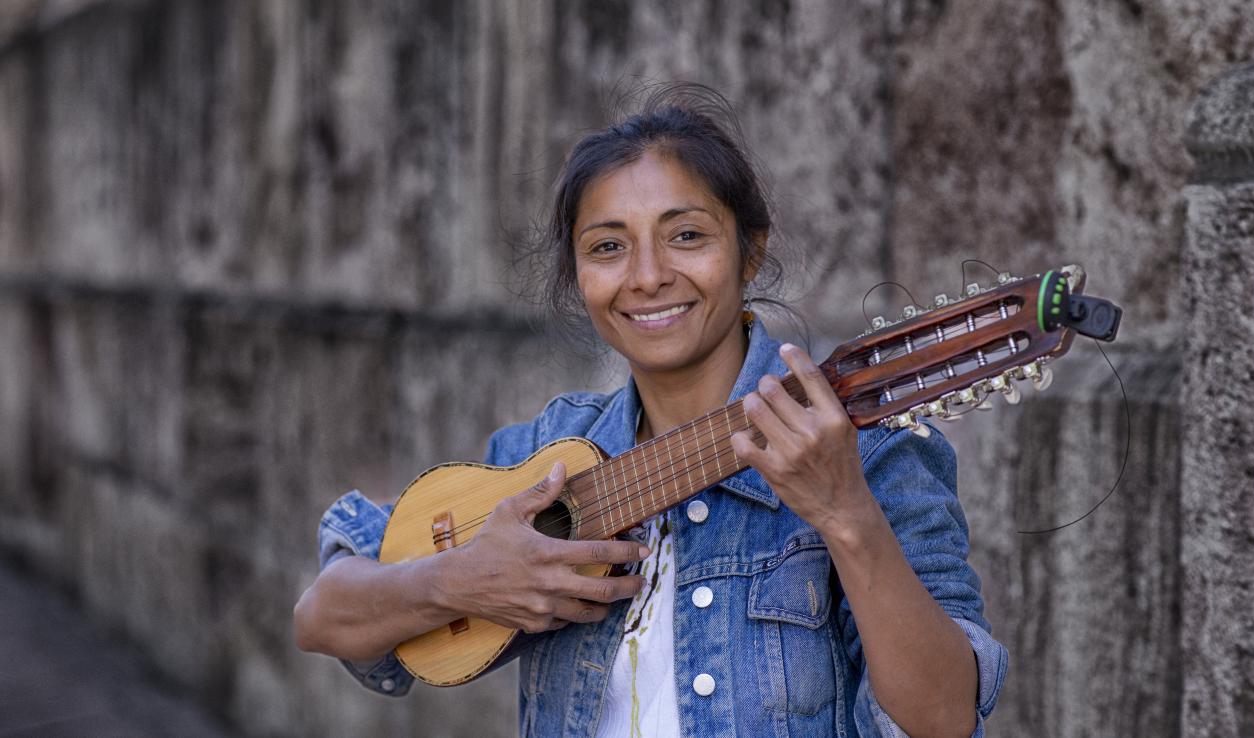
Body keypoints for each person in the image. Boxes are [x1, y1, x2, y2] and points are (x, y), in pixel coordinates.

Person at [293, 84, 1007, 738]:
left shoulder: (869, 454)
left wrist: (847, 514)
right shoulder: (547, 453)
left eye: (687, 235)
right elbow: (322, 616)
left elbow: (941, 720)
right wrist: (460, 580)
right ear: (578, 277)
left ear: (750, 251)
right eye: (608, 247)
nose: (647, 276)